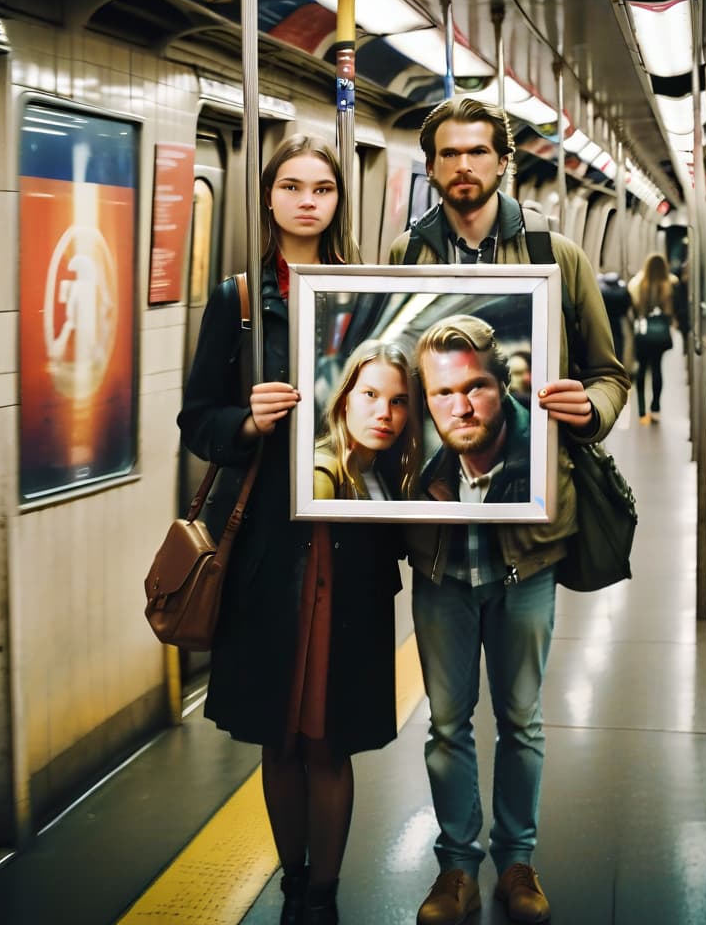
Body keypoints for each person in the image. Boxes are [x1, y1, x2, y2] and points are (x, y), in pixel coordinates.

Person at [388, 96, 630, 925]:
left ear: (502, 163)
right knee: (447, 722)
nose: (463, 167)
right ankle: (454, 868)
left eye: (478, 153)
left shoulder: (556, 256)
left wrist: (586, 409)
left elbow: (610, 371)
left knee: (521, 718)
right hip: (438, 546)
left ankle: (516, 862)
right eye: (448, 154)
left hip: (530, 540)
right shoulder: (400, 259)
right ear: (432, 167)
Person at [178, 135, 403, 925]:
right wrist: (246, 422)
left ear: (341, 202)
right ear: (268, 198)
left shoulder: (372, 296)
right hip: (268, 550)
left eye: (324, 188)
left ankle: (326, 896)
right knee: (279, 734)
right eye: (292, 186)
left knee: (328, 737)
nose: (308, 200)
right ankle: (292, 882)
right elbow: (196, 420)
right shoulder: (237, 303)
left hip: (353, 548)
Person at [416, 315, 530, 509]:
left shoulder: (550, 464)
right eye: (444, 393)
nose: (461, 410)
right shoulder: (425, 484)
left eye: (475, 387)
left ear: (503, 387)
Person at [313, 339, 420, 501]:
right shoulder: (322, 473)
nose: (385, 413)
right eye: (370, 394)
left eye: (397, 401)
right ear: (344, 400)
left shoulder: (383, 471)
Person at [627, 253, 677, 424]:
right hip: (661, 333)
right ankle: (655, 408)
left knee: (642, 369)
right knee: (657, 368)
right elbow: (673, 311)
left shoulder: (638, 283)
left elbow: (632, 307)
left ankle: (641, 410)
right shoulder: (670, 284)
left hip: (643, 332)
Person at [596, 270, 632, 363]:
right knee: (618, 347)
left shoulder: (599, 288)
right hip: (617, 323)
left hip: (602, 323)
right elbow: (626, 306)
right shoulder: (623, 290)